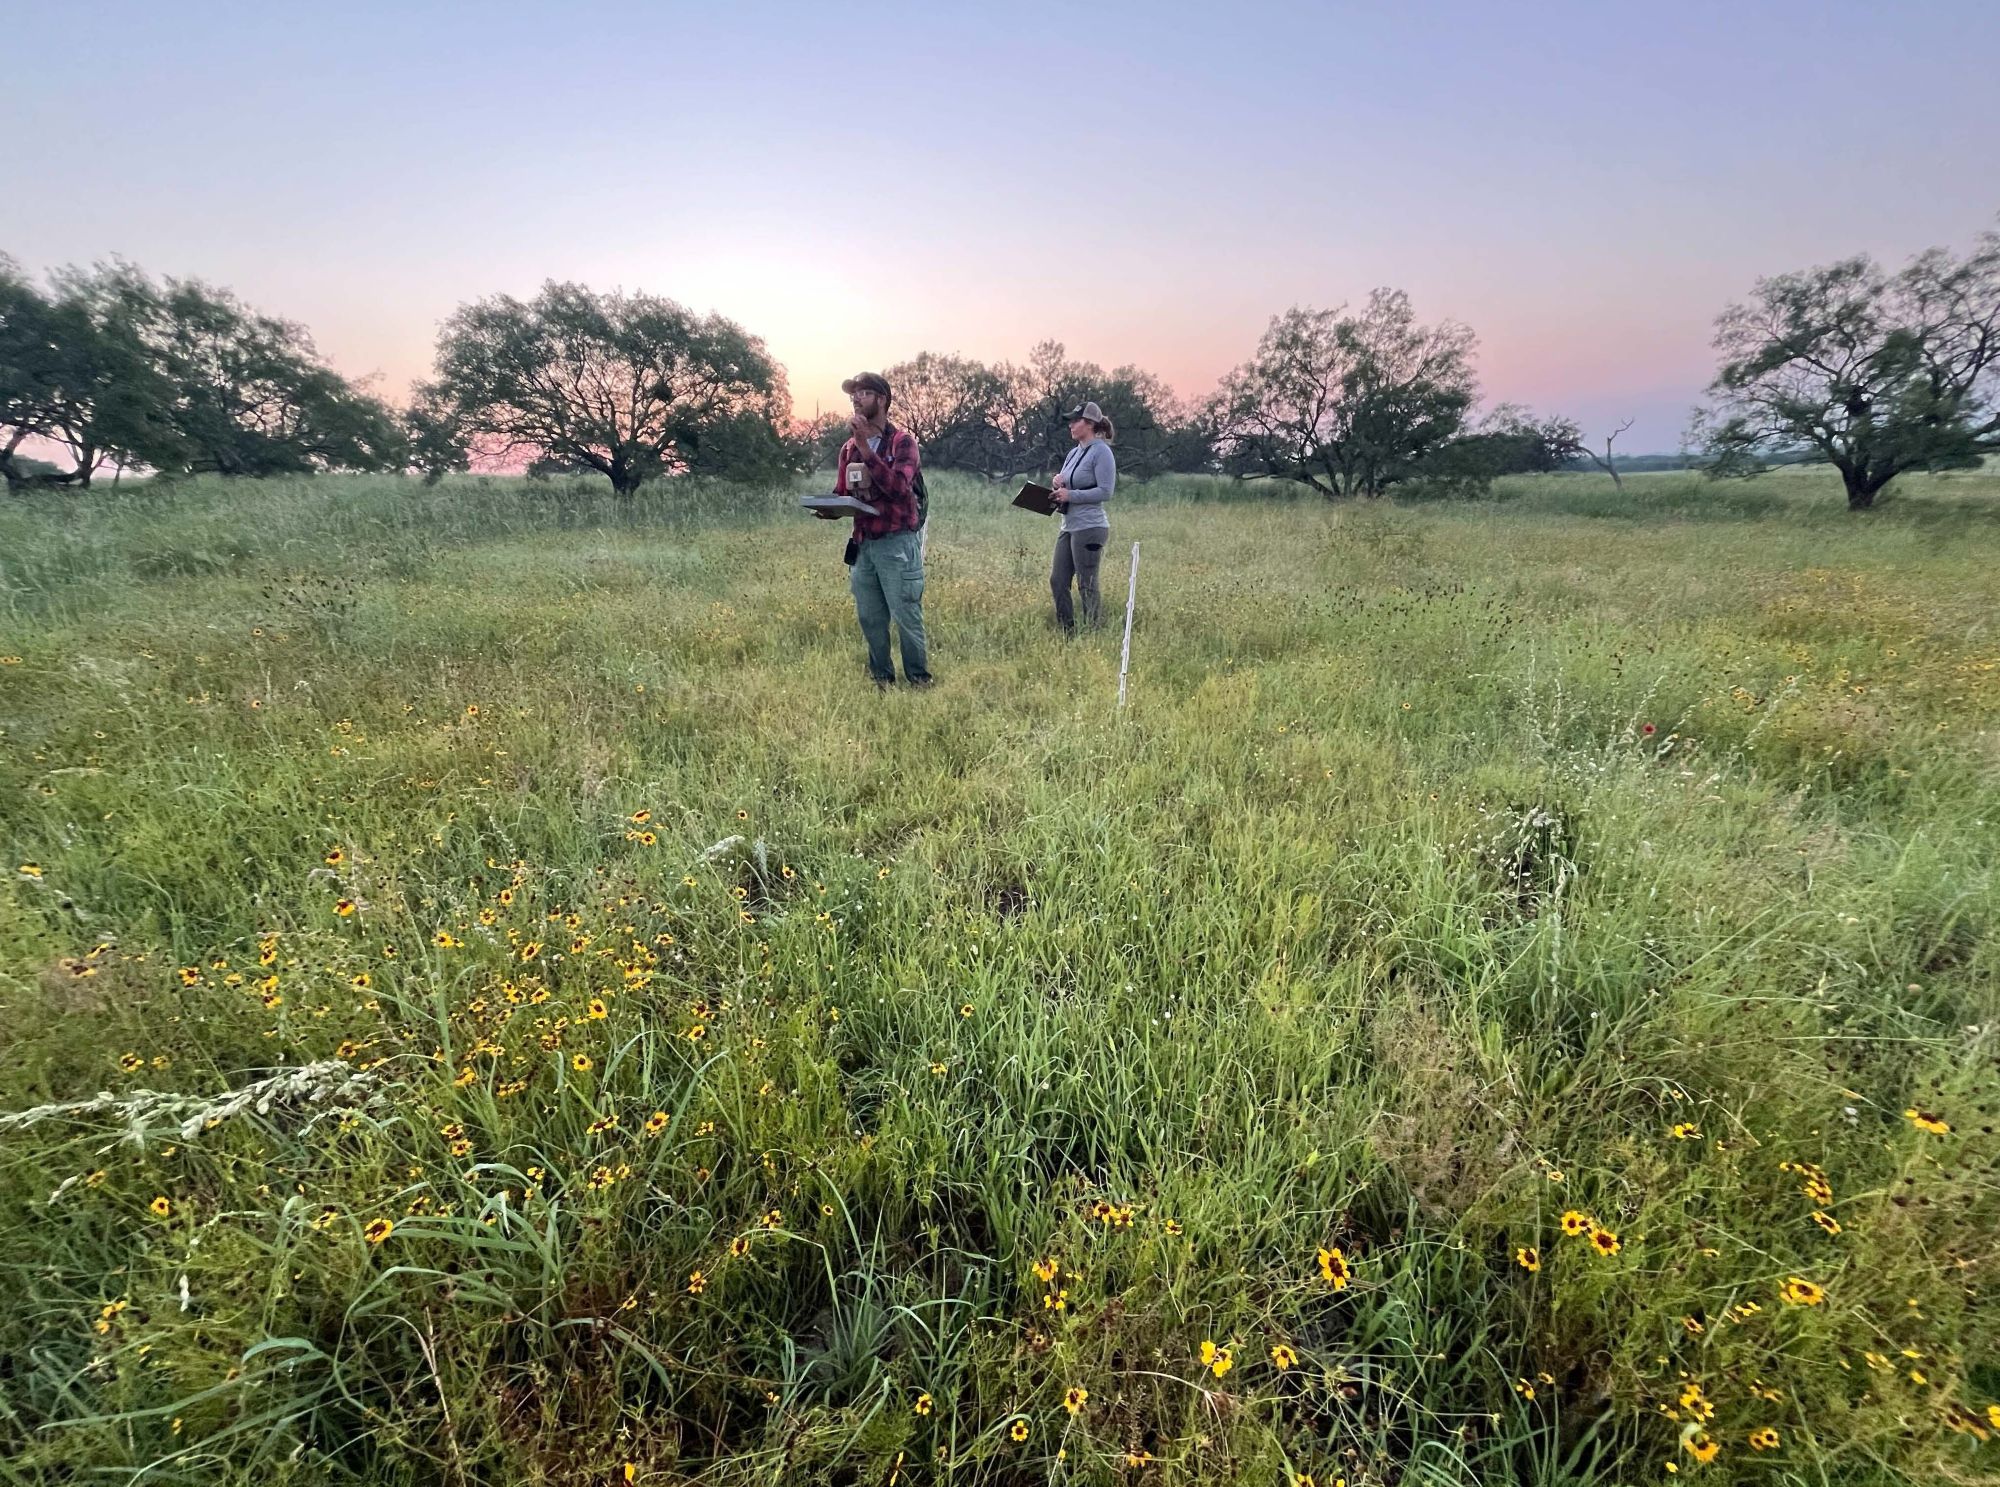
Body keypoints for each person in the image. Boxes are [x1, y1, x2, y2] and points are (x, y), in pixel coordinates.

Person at [827, 371, 931, 686]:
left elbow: (900, 488)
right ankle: (882, 680)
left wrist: (867, 449)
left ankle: (918, 680)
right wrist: (829, 508)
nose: (856, 399)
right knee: (870, 618)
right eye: (853, 394)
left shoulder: (903, 443)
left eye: (863, 393)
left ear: (881, 399)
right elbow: (843, 490)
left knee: (906, 615)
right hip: (864, 545)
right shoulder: (848, 449)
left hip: (896, 542)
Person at [1049, 400, 1117, 632]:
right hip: (1068, 525)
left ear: (1089, 424)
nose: (1071, 425)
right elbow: (1068, 483)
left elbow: (1106, 491)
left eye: (1075, 421)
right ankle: (1067, 632)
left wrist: (1071, 495)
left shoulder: (1102, 452)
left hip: (1090, 527)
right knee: (1058, 581)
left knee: (1086, 583)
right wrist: (1058, 482)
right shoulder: (1073, 452)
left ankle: (1093, 631)